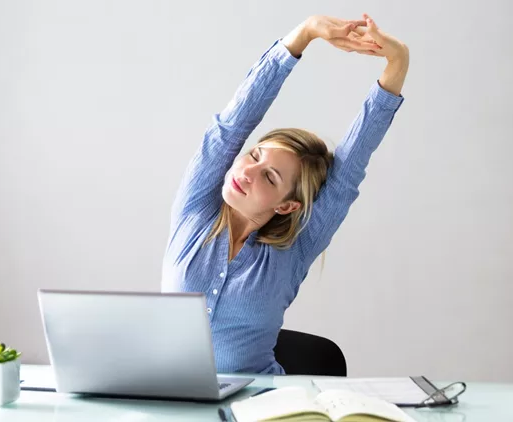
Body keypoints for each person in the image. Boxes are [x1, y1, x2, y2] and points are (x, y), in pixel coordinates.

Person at [162, 13, 409, 375]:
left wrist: (398, 60)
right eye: (254, 155)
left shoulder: (295, 249)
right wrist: (304, 34)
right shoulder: (196, 210)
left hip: (260, 407)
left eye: (270, 177)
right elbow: (233, 125)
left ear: (288, 205)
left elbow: (349, 170)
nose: (246, 171)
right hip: (169, 402)